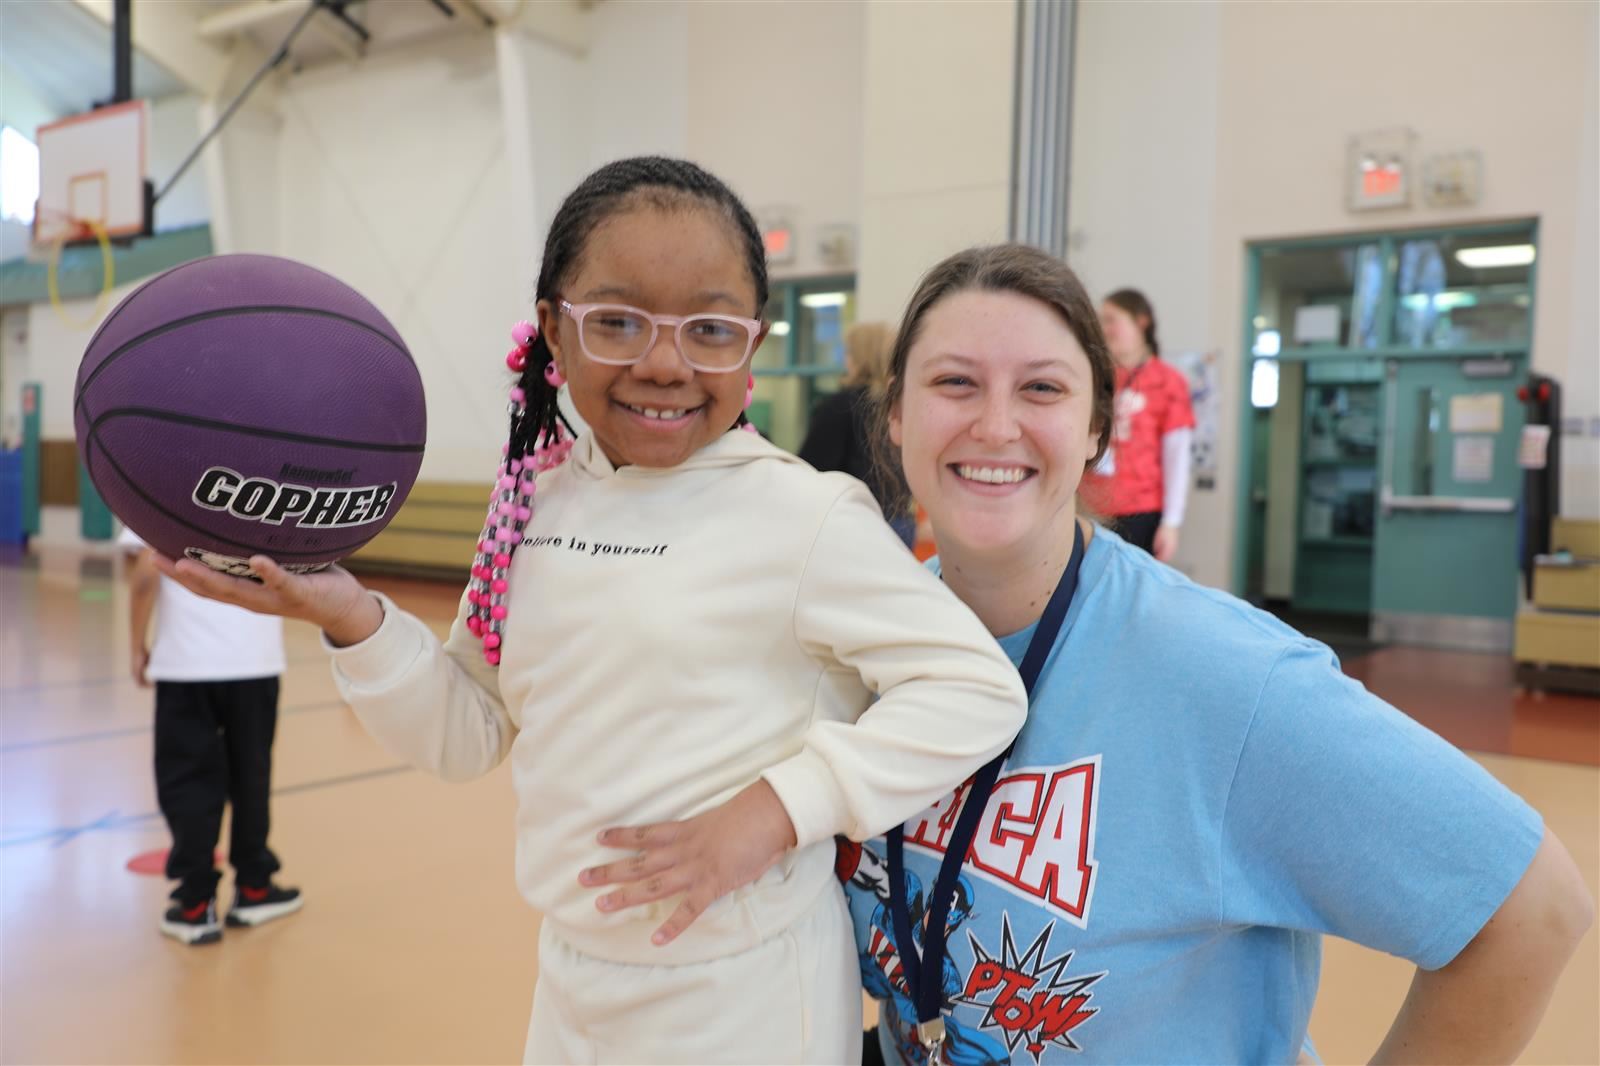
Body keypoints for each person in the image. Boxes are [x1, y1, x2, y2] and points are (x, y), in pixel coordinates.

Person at [156, 157, 1026, 1063]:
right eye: (616, 321)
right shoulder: (534, 505)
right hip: (573, 982)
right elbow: (466, 733)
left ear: (752, 345)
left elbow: (976, 691)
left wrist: (775, 810)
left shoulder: (804, 516)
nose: (664, 363)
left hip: (749, 990)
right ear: (552, 333)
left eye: (710, 328)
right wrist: (352, 618)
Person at [826, 243, 1591, 1064]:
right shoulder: (860, 648)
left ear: (1096, 429)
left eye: (1042, 387)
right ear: (897, 412)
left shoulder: (1225, 676)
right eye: (954, 382)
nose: (995, 425)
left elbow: (1531, 910)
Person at [120, 527, 302, 946]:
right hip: (256, 662)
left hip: (186, 663)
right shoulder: (272, 485)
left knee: (187, 781)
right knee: (250, 777)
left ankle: (195, 904)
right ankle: (255, 888)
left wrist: (136, 645)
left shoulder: (157, 474)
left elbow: (147, 573)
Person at [1079, 288, 1193, 561]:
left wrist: (1171, 523)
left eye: (1111, 319)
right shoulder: (1094, 376)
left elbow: (1177, 457)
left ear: (1141, 322)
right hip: (1088, 507)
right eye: (1101, 320)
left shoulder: (1168, 381)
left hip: (1140, 512)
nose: (1104, 328)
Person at [799, 321, 915, 545]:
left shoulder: (842, 406)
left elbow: (810, 468)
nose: (846, 360)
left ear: (861, 357)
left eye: (849, 352)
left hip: (855, 523)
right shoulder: (901, 406)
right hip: (902, 523)